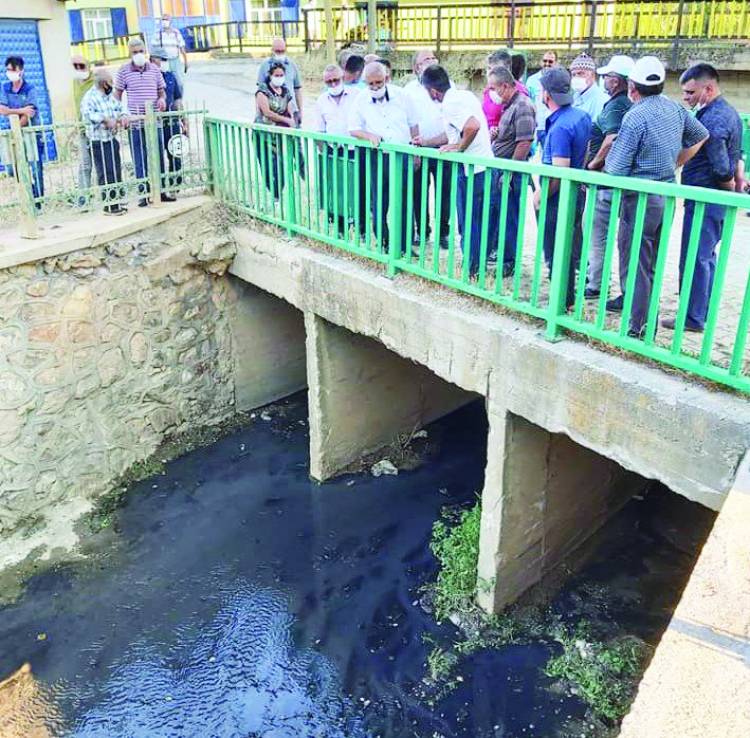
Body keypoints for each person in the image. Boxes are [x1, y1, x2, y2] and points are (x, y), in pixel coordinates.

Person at [605, 56, 708, 338]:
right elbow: (701, 134)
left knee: (636, 262)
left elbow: (615, 169)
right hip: (666, 196)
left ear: (632, 88)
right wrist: (675, 162)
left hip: (639, 198)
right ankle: (647, 321)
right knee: (653, 263)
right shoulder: (675, 109)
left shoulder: (634, 116)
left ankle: (637, 328)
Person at [662, 63, 743, 332]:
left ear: (708, 88)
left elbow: (722, 165)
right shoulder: (728, 111)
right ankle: (699, 312)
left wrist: (728, 184)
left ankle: (693, 317)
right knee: (706, 256)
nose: (686, 98)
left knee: (695, 256)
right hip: (712, 197)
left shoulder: (712, 119)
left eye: (690, 92)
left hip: (706, 196)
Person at [421, 64, 494, 279]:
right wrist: (427, 142)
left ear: (433, 91)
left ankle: (472, 270)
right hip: (483, 167)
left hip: (472, 169)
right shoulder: (464, 95)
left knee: (469, 221)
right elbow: (455, 134)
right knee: (478, 220)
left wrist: (459, 149)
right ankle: (476, 267)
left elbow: (471, 126)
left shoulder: (450, 103)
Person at [534, 66, 592, 309]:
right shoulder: (581, 117)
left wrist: (540, 196)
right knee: (568, 248)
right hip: (577, 192)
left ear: (547, 95)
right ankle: (566, 299)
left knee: (555, 250)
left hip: (557, 199)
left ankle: (560, 302)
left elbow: (559, 171)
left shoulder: (559, 128)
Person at [349, 61, 419, 251]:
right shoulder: (361, 99)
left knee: (405, 198)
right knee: (379, 198)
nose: (375, 87)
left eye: (378, 82)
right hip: (378, 155)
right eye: (370, 84)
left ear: (387, 78)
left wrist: (416, 152)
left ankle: (405, 244)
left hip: (403, 153)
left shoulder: (402, 95)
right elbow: (353, 129)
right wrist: (369, 135)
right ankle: (383, 241)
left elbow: (413, 125)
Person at [584, 55, 634, 299]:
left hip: (605, 179)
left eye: (607, 77)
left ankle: (596, 283)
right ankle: (597, 278)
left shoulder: (617, 105)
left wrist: (594, 164)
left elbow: (612, 138)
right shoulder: (622, 103)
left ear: (616, 81)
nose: (604, 80)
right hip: (613, 178)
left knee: (597, 231)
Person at [487, 65, 536, 277]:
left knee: (509, 217)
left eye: (494, 88)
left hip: (511, 172)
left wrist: (510, 172)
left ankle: (509, 261)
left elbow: (524, 142)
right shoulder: (510, 104)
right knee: (501, 215)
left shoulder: (522, 105)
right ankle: (502, 257)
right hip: (503, 168)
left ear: (505, 86)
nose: (492, 93)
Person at [405, 49, 451, 248]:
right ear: (417, 67)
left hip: (444, 146)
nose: (431, 61)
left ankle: (443, 233)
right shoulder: (409, 90)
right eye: (426, 59)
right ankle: (422, 230)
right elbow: (406, 121)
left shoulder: (448, 85)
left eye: (433, 57)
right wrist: (413, 148)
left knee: (445, 192)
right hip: (420, 149)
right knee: (418, 192)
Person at [114, 38, 166, 207]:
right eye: (135, 52)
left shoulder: (155, 70)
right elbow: (117, 95)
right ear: (130, 53)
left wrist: (162, 100)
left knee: (157, 155)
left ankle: (161, 190)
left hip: (154, 121)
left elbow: (161, 92)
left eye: (140, 51)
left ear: (146, 51)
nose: (138, 55)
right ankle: (143, 192)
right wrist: (121, 114)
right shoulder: (123, 71)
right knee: (139, 158)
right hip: (135, 122)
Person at [315, 63, 361, 237]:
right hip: (334, 151)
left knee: (358, 188)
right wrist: (325, 153)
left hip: (355, 149)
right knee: (338, 190)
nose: (333, 84)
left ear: (342, 78)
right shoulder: (321, 101)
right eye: (329, 82)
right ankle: (340, 227)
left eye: (336, 80)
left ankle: (359, 225)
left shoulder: (356, 95)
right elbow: (320, 131)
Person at [80, 67, 129, 215]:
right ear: (103, 83)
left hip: (111, 139)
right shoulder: (90, 98)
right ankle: (109, 205)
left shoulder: (109, 96)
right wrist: (105, 119)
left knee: (115, 170)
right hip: (98, 141)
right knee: (105, 173)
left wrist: (123, 116)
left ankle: (117, 201)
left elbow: (119, 107)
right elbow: (88, 116)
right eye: (110, 82)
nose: (112, 85)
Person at [0, 56, 44, 202]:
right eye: (8, 70)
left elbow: (30, 112)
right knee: (12, 168)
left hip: (30, 131)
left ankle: (38, 199)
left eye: (13, 70)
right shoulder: (5, 88)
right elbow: (2, 110)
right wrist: (21, 110)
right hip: (11, 132)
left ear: (21, 70)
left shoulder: (30, 88)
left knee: (35, 165)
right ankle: (29, 192)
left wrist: (18, 124)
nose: (10, 72)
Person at [149, 46, 185, 201]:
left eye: (166, 60)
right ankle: (161, 188)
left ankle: (175, 185)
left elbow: (178, 100)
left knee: (175, 154)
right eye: (160, 59)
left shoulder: (170, 76)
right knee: (157, 157)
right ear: (152, 60)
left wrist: (184, 120)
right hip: (156, 123)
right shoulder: (148, 76)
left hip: (172, 122)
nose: (163, 62)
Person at [257, 39, 303, 124]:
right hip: (272, 114)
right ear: (272, 50)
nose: (280, 54)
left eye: (282, 51)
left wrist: (300, 111)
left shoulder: (292, 65)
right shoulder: (265, 65)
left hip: (291, 110)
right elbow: (260, 92)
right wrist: (258, 114)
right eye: (277, 51)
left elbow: (297, 90)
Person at [72, 54, 95, 201]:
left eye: (82, 65)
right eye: (76, 66)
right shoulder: (75, 82)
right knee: (85, 164)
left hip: (97, 128)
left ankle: (108, 195)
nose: (79, 69)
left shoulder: (96, 80)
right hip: (82, 129)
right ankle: (83, 198)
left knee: (102, 163)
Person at [526, 50, 557, 148]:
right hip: (535, 127)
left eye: (550, 62)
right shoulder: (531, 80)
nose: (547, 64)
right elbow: (528, 103)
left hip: (551, 127)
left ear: (556, 63)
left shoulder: (559, 80)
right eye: (545, 61)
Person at [570, 53, 608, 122]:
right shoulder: (575, 97)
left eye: (580, 73)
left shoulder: (601, 100)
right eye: (573, 74)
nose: (576, 77)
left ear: (592, 75)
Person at [153, 14, 187, 85]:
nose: (164, 21)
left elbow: (182, 47)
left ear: (170, 21)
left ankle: (179, 94)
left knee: (179, 80)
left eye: (166, 19)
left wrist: (186, 62)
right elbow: (154, 49)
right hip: (163, 61)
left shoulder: (176, 32)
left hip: (175, 60)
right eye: (163, 19)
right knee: (165, 82)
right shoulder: (158, 33)